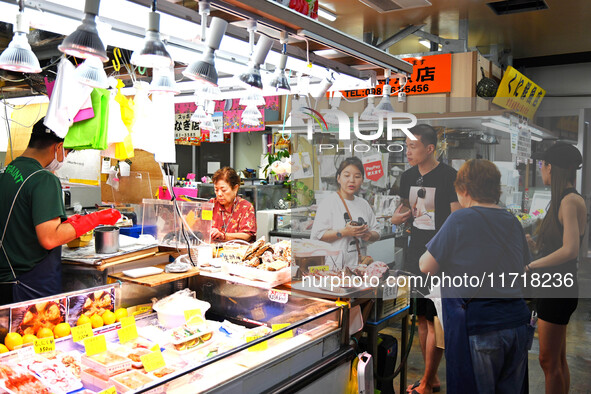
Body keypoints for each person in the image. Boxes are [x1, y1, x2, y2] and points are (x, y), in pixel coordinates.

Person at [419, 159, 531, 394]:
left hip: (479, 325)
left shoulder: (460, 218)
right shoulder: (512, 221)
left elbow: (426, 266)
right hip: (516, 324)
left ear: (465, 189)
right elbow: (522, 267)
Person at [0, 118, 120, 305]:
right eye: (68, 151)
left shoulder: (10, 170)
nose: (65, 156)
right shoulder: (43, 179)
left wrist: (74, 222)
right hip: (27, 286)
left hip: (7, 280)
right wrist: (95, 218)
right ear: (58, 147)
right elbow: (49, 238)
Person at [390, 124, 460, 394]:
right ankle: (431, 377)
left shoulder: (448, 177)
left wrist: (444, 254)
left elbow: (456, 218)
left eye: (413, 146)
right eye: (406, 146)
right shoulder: (407, 177)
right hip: (414, 252)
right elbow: (403, 211)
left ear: (430, 148)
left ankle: (428, 380)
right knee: (421, 316)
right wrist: (396, 219)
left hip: (440, 255)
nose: (407, 151)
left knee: (435, 318)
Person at [527, 142, 586, 394]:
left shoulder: (569, 200)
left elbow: (570, 249)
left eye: (543, 164)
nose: (541, 169)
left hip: (557, 286)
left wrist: (530, 265)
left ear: (552, 167)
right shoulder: (562, 199)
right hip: (556, 285)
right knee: (557, 360)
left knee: (548, 360)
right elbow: (558, 245)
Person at [311, 156, 380, 269]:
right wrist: (344, 232)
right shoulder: (329, 203)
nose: (351, 180)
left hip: (359, 266)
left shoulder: (364, 204)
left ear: (362, 180)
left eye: (357, 176)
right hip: (334, 267)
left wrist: (369, 235)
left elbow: (377, 232)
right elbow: (317, 236)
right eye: (346, 176)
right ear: (338, 178)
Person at [209, 167, 256, 242]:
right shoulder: (211, 205)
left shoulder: (245, 207)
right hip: (213, 251)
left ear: (235, 188)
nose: (219, 194)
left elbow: (247, 235)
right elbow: (199, 228)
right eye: (216, 190)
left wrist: (223, 235)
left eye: (223, 190)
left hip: (237, 251)